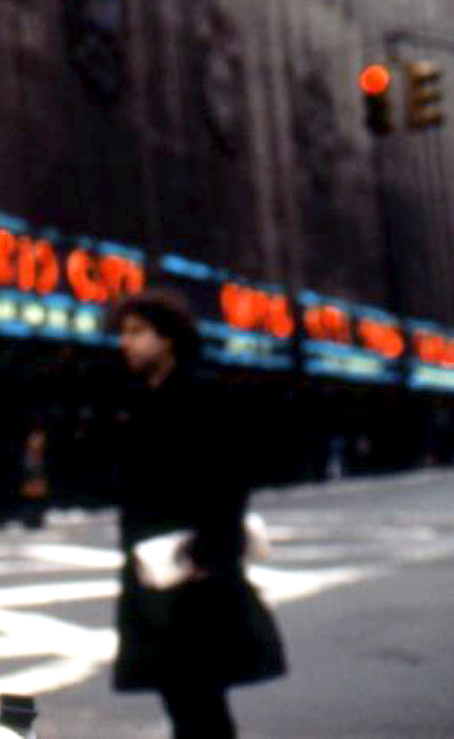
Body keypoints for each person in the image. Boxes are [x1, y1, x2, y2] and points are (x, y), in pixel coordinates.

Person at [109, 289, 285, 739]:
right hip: (155, 572)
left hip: (196, 574)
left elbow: (229, 479)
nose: (124, 343)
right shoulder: (139, 401)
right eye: (123, 333)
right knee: (183, 698)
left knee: (198, 701)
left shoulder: (201, 394)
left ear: (167, 339)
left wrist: (210, 553)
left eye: (136, 332)